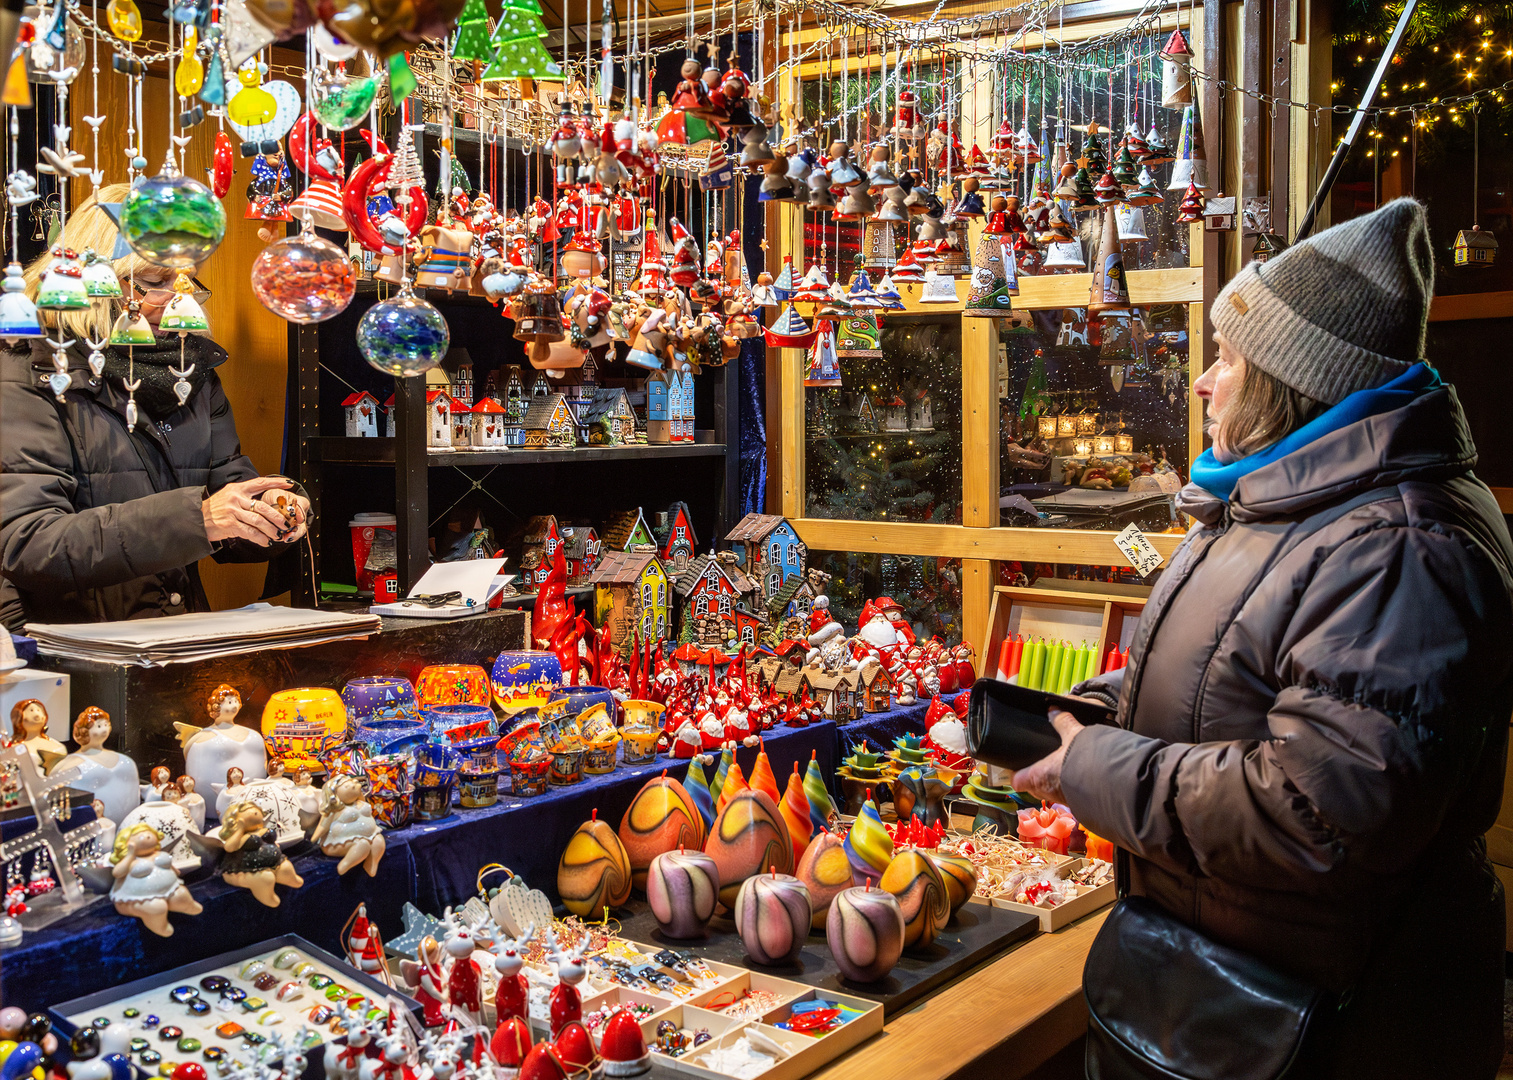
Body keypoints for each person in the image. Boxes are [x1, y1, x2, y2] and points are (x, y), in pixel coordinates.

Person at [1013, 199, 1511, 1078]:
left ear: (1292, 384)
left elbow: (1320, 815)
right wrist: (1096, 709)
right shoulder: (1282, 501)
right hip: (1230, 998)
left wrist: (1094, 766)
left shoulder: (1397, 543)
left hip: (1326, 1026)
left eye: (1227, 360)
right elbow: (1225, 678)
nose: (1202, 381)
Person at [0, 184, 309, 630]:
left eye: (185, 282)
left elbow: (232, 493)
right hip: (63, 655)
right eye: (155, 282)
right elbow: (28, 544)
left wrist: (276, 510)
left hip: (167, 639)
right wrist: (199, 519)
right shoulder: (28, 369)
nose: (176, 299)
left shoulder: (191, 372)